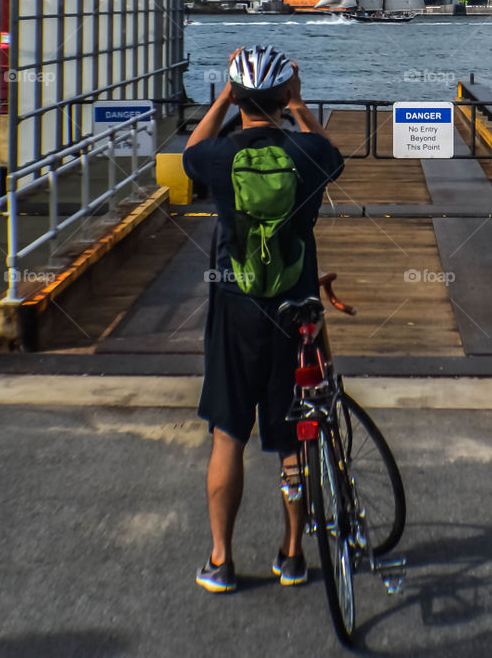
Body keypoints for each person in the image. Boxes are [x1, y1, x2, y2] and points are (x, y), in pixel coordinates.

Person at [182, 44, 344, 594]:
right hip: (297, 312)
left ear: (239, 96)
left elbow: (193, 148)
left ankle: (221, 560)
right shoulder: (308, 156)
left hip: (235, 309)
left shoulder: (220, 158)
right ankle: (293, 555)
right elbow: (330, 151)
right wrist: (298, 106)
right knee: (295, 438)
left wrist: (226, 94)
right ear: (283, 96)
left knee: (228, 435)